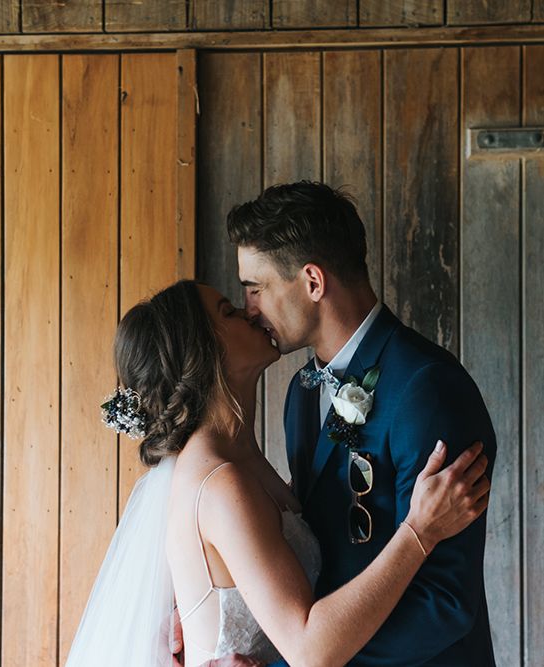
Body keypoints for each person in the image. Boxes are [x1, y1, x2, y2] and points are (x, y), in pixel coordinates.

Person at [65, 279, 490, 667]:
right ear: (203, 351)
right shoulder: (221, 482)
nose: (249, 311)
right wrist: (421, 530)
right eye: (229, 312)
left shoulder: (247, 455)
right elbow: (308, 649)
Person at [212, 180, 496, 666]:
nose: (249, 308)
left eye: (256, 289)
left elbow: (444, 604)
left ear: (313, 282)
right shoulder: (302, 392)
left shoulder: (428, 390)